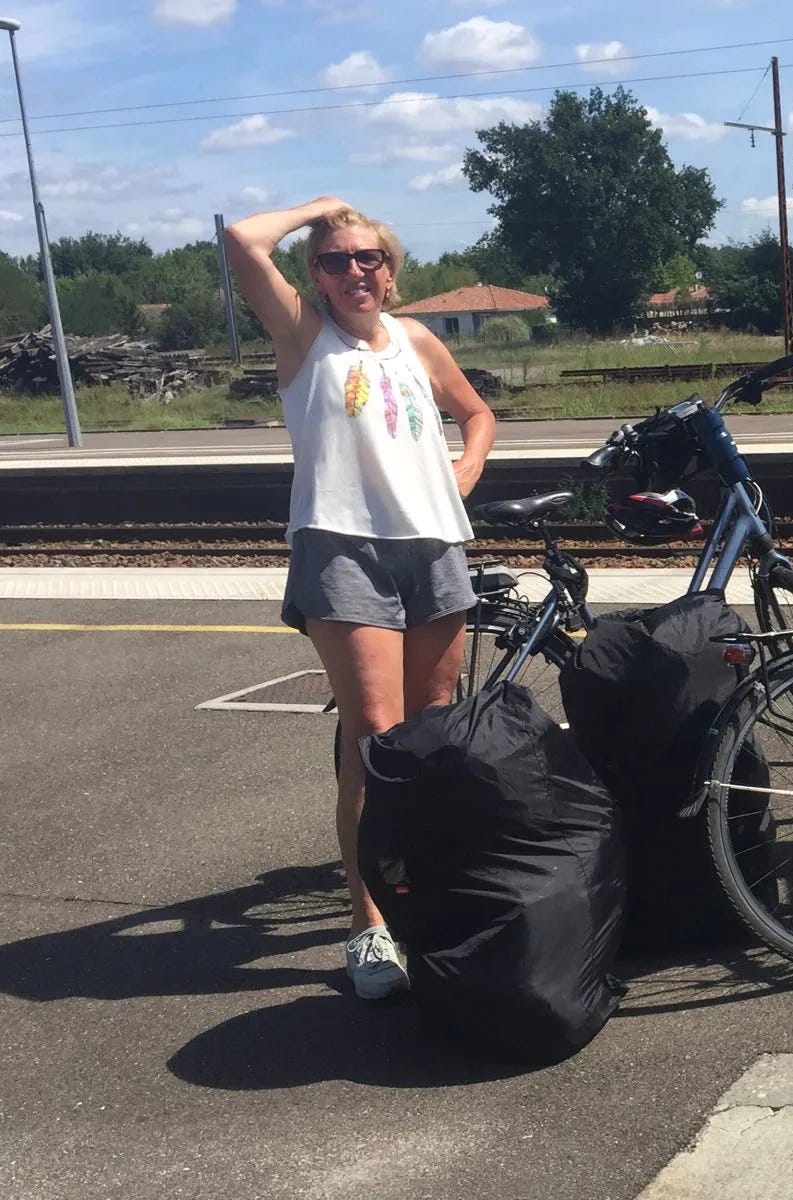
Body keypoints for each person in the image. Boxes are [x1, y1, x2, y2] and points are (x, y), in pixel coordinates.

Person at [224, 197, 496, 999]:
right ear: (315, 275)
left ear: (390, 269)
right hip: (343, 550)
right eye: (335, 259)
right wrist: (327, 208)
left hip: (433, 547)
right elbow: (241, 239)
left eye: (367, 257)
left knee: (428, 735)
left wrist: (467, 468)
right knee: (376, 739)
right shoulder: (304, 334)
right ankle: (369, 921)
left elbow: (477, 413)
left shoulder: (416, 340)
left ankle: (428, 891)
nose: (354, 271)